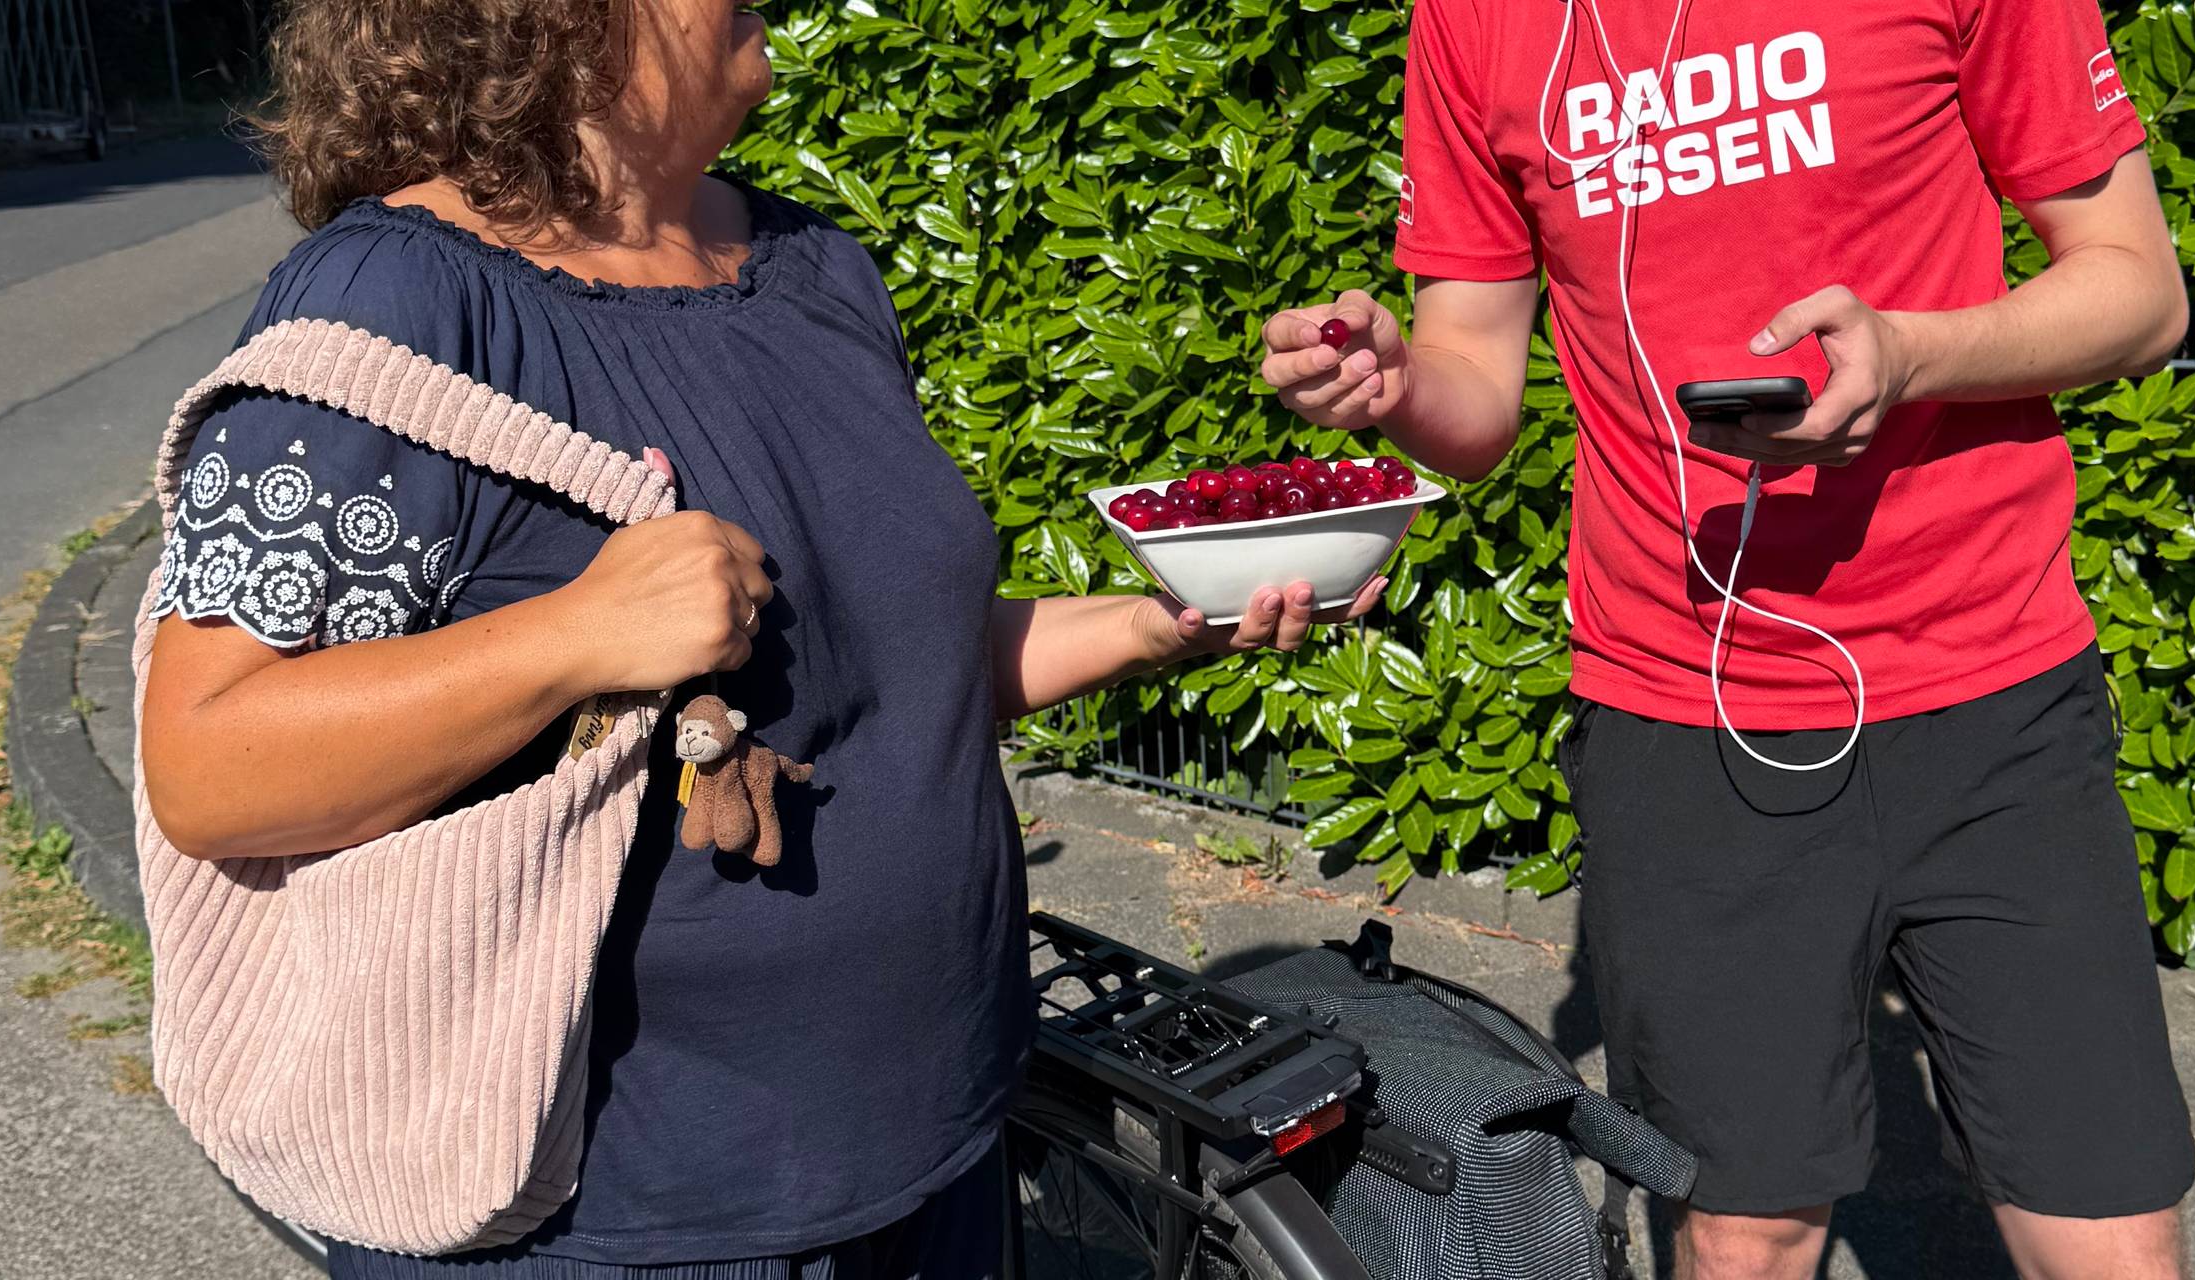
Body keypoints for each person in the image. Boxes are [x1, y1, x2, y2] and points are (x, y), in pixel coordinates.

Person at [135, 0, 1379, 1274]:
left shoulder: (816, 268)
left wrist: (1146, 626)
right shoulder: (395, 296)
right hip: (607, 1212)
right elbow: (210, 761)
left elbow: (888, 673)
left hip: (936, 1136)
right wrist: (578, 635)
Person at [1260, 1, 2194, 1276]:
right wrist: (1394, 386)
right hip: (1688, 707)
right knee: (1747, 1231)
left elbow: (2140, 288)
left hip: (1995, 683)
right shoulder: (1474, 19)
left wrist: (1911, 353)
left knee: (2109, 1235)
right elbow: (1472, 371)